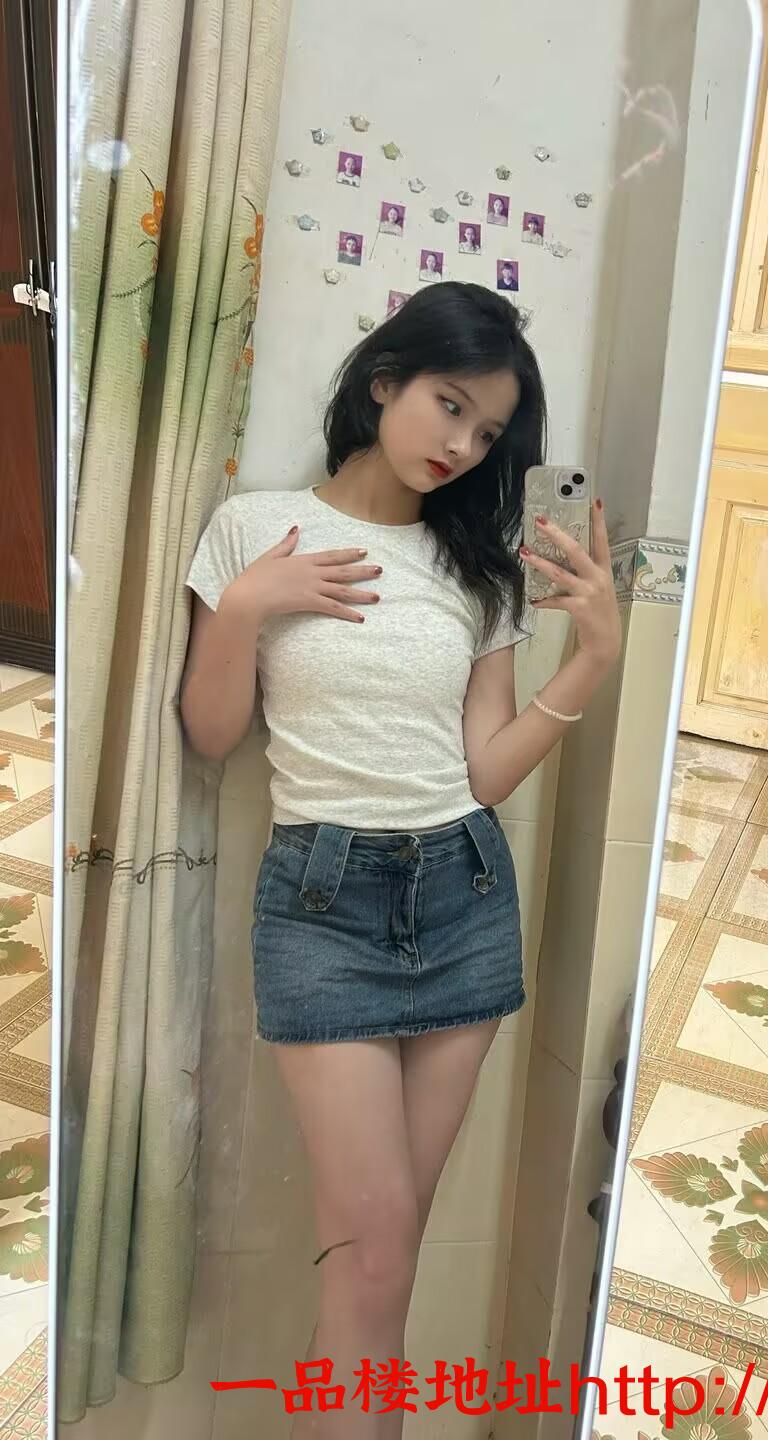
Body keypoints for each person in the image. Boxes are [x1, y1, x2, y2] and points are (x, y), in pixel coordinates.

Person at [180, 282, 620, 1440]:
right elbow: (211, 736)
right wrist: (246, 607)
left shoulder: (476, 569)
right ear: (385, 383)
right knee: (374, 1258)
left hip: (464, 893)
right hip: (321, 905)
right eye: (448, 405)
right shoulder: (257, 529)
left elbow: (485, 771)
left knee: (384, 1263)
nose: (461, 446)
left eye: (487, 431)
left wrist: (591, 658)